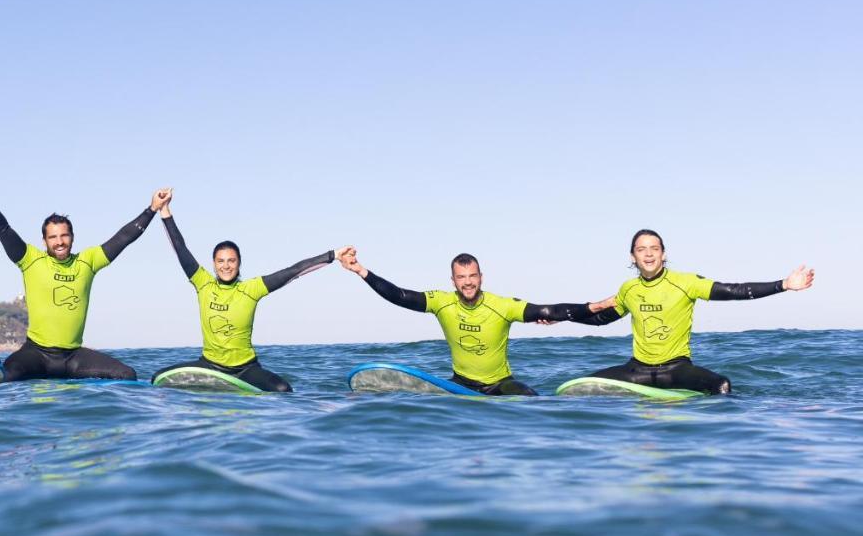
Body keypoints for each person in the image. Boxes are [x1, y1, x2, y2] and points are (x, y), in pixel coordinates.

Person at [566, 229, 814, 394]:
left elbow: (733, 290)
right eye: (641, 249)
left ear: (663, 254)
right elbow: (601, 319)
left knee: (722, 386)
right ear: (633, 257)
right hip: (637, 369)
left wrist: (783, 285)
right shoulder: (628, 289)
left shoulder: (686, 282)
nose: (649, 253)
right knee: (586, 387)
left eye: (654, 248)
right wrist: (561, 317)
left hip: (675, 369)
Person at [154, 191, 351, 392]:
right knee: (157, 379)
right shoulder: (203, 283)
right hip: (209, 365)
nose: (226, 266)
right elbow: (181, 249)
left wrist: (332, 255)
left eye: (231, 261)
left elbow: (293, 272)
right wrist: (165, 210)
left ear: (239, 264)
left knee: (283, 389)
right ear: (213, 264)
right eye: (220, 261)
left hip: (245, 369)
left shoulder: (251, 288)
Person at [0, 175, 167, 381]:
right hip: (36, 355)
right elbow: (2, 229)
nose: (59, 242)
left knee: (127, 375)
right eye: (53, 237)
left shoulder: (88, 261)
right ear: (44, 241)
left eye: (64, 235)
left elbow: (123, 238)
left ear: (72, 237)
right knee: (6, 376)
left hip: (73, 357)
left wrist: (152, 209)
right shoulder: (30, 259)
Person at [338, 250, 607, 395]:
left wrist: (592, 307)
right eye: (461, 277)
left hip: (499, 384)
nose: (468, 282)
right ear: (452, 280)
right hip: (460, 383)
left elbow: (548, 310)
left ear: (481, 277)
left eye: (472, 276)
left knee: (527, 396)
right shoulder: (441, 301)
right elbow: (399, 296)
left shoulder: (501, 305)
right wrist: (361, 271)